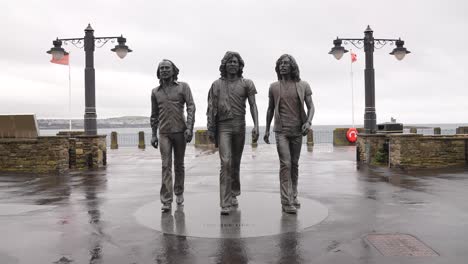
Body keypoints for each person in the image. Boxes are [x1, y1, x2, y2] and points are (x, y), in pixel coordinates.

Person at [207, 51, 259, 215]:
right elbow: (210, 108)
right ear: (224, 64)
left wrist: (257, 125)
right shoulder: (216, 84)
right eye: (229, 61)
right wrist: (210, 128)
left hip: (239, 126)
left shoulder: (247, 83)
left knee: (235, 164)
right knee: (226, 162)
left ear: (240, 65)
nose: (232, 64)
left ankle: (234, 193)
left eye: (235, 62)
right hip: (223, 127)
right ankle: (224, 201)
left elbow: (252, 105)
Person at [264, 54, 315, 214]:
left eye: (286, 63)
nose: (283, 66)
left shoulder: (303, 85)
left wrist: (308, 122)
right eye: (280, 64)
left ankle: (293, 195)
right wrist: (266, 129)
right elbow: (270, 109)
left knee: (294, 164)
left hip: (297, 131)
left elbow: (311, 107)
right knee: (285, 164)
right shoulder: (273, 87)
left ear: (292, 66)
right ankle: (286, 202)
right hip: (281, 131)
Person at [151, 59, 196, 212]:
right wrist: (153, 134)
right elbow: (154, 115)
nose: (164, 70)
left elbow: (191, 106)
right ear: (158, 72)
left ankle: (179, 192)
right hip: (163, 133)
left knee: (179, 165)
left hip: (180, 131)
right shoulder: (155, 92)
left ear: (173, 70)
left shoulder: (183, 87)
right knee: (165, 165)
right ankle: (166, 200)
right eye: (161, 68)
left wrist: (190, 127)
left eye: (167, 68)